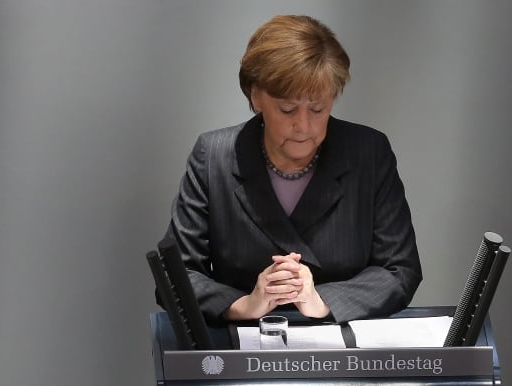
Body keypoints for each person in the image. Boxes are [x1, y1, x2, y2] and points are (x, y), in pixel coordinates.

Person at [164, 15, 422, 323]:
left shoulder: (367, 153)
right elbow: (175, 275)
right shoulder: (214, 156)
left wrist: (321, 300)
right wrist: (243, 304)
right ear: (256, 96)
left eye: (318, 109)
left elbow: (400, 269)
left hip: (339, 344)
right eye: (287, 109)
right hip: (243, 343)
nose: (303, 125)